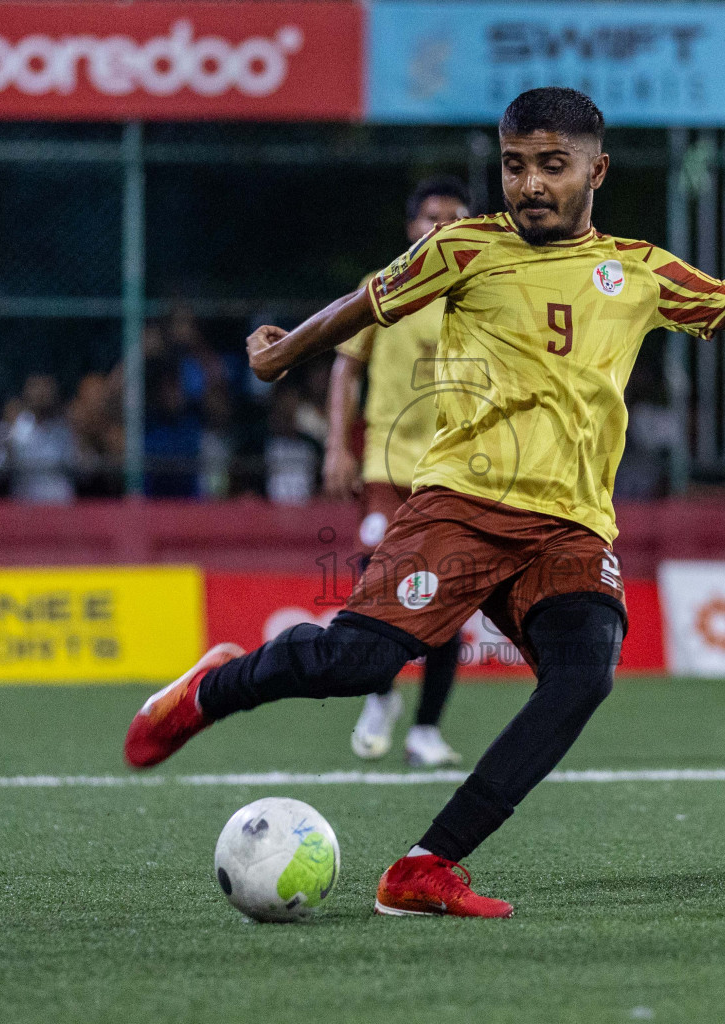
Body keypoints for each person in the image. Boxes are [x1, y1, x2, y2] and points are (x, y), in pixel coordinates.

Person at [123, 88, 725, 918]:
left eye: (553, 166)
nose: (531, 185)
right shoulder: (465, 249)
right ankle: (213, 686)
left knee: (583, 675)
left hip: (572, 527)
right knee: (358, 664)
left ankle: (424, 867)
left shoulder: (643, 273)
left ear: (597, 170)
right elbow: (366, 304)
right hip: (461, 506)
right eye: (516, 166)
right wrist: (282, 354)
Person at [324, 176, 473, 768]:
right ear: (410, 227)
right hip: (387, 462)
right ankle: (381, 694)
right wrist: (337, 444)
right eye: (428, 217)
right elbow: (344, 367)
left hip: (456, 470)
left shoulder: (482, 292)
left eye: (451, 217)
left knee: (451, 597)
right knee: (378, 583)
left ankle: (426, 730)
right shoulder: (382, 288)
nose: (437, 227)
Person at [0, 373, 78, 504]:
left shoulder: (65, 427)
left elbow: (83, 471)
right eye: (36, 386)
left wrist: (76, 432)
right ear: (26, 391)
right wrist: (9, 439)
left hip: (60, 507)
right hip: (26, 507)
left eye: (46, 386)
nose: (41, 393)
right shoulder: (12, 424)